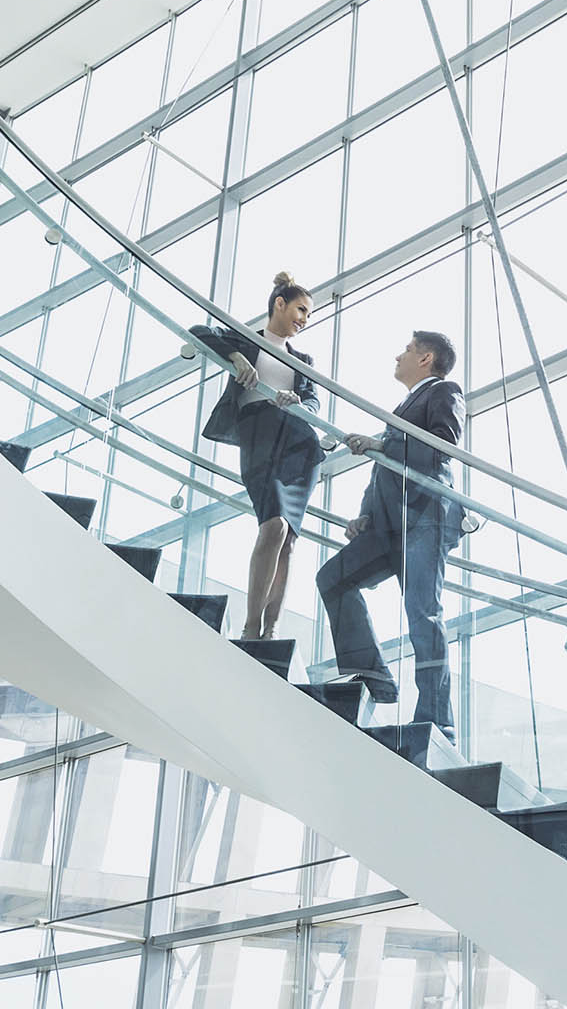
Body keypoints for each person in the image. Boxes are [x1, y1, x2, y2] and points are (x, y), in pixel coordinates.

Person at [316, 330, 466, 740]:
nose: (398, 355)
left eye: (407, 350)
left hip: (424, 518)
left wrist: (383, 445)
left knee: (423, 614)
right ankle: (372, 673)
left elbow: (443, 446)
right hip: (386, 523)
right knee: (332, 578)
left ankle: (438, 721)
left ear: (426, 358)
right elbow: (384, 469)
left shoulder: (444, 391)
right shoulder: (402, 406)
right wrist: (364, 514)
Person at [190, 273, 324, 640]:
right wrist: (236, 358)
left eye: (308, 315)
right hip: (259, 437)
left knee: (289, 540)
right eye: (301, 310)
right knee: (274, 525)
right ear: (280, 303)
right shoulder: (245, 339)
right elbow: (199, 331)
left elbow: (314, 401)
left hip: (299, 446)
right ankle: (251, 625)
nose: (304, 319)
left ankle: (272, 628)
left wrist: (298, 402)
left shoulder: (303, 359)